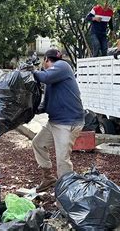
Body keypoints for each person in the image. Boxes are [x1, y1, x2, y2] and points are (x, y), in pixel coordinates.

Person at [31, 49, 84, 192]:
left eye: (44, 62)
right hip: (55, 121)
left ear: (47, 59)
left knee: (62, 160)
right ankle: (48, 178)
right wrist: (32, 110)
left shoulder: (62, 66)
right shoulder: (52, 79)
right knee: (38, 143)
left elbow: (43, 77)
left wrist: (30, 72)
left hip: (68, 122)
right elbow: (46, 104)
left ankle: (68, 191)